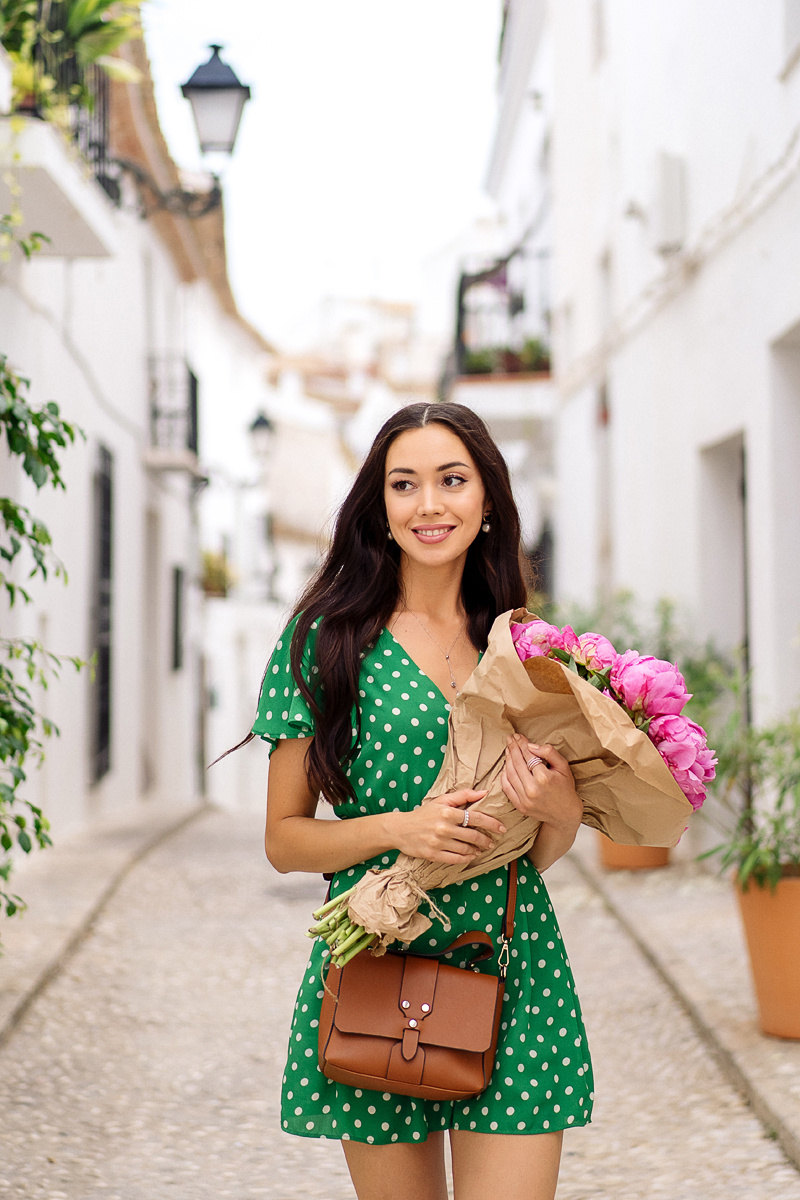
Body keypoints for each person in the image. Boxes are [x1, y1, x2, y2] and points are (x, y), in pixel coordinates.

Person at [254, 402, 593, 1200]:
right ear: (380, 507)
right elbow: (283, 840)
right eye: (405, 484)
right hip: (377, 961)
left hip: (513, 964)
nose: (429, 504)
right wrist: (404, 828)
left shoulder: (523, 645)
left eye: (452, 480)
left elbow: (532, 851)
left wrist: (562, 809)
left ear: (486, 503)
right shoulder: (326, 639)